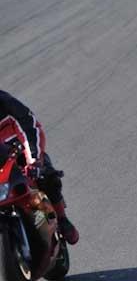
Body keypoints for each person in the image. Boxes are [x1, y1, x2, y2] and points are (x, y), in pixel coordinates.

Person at [0, 90, 79, 245]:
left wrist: (34, 160)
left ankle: (61, 218)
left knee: (45, 175)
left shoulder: (3, 102)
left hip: (17, 154)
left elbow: (29, 126)